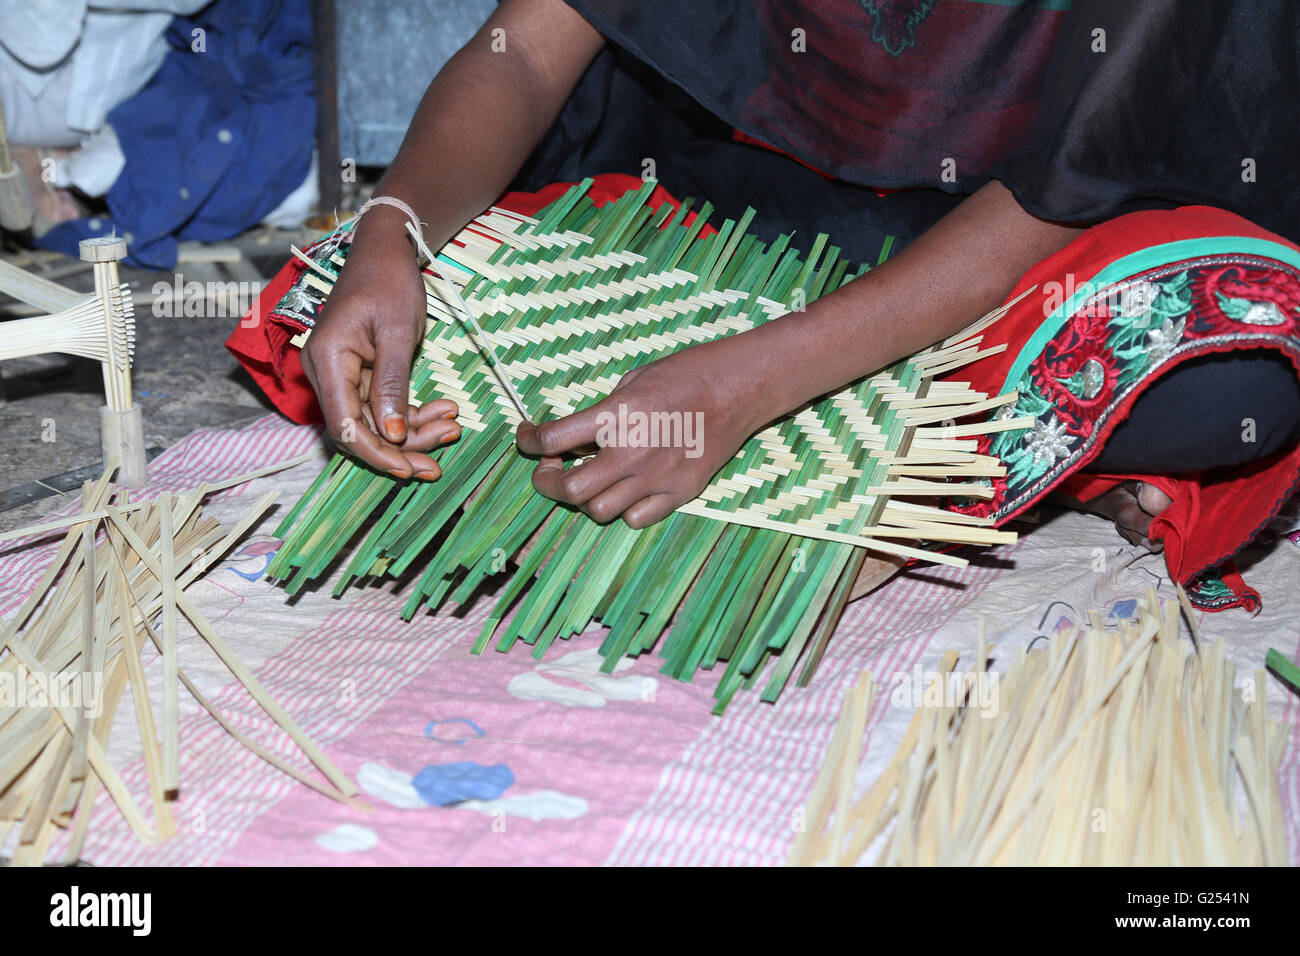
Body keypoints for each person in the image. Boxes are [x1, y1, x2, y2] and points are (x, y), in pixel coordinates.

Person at [236, 0, 1300, 612]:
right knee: (350, 286)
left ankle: (912, 428)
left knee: (1219, 367)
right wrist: (395, 230)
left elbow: (1070, 184)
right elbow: (527, 51)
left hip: (1043, 227)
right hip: (761, 183)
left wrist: (745, 382)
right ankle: (1000, 458)